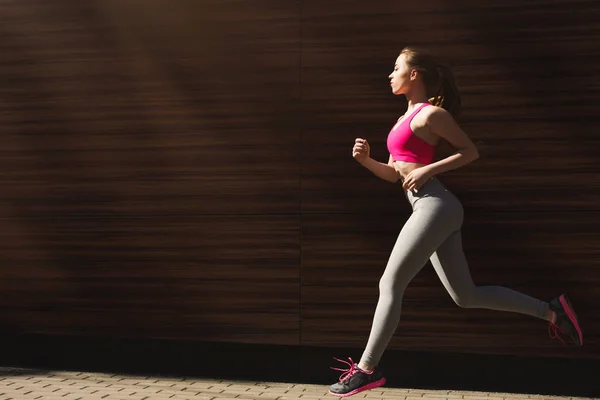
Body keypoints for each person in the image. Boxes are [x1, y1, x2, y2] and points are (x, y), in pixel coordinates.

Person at [328, 46, 583, 398]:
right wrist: (367, 161)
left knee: (390, 283)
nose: (390, 74)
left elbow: (470, 151)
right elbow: (394, 175)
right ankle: (552, 312)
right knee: (465, 295)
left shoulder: (431, 114)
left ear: (414, 74)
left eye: (396, 67)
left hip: (436, 205)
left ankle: (367, 369)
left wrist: (429, 169)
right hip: (430, 207)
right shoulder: (404, 118)